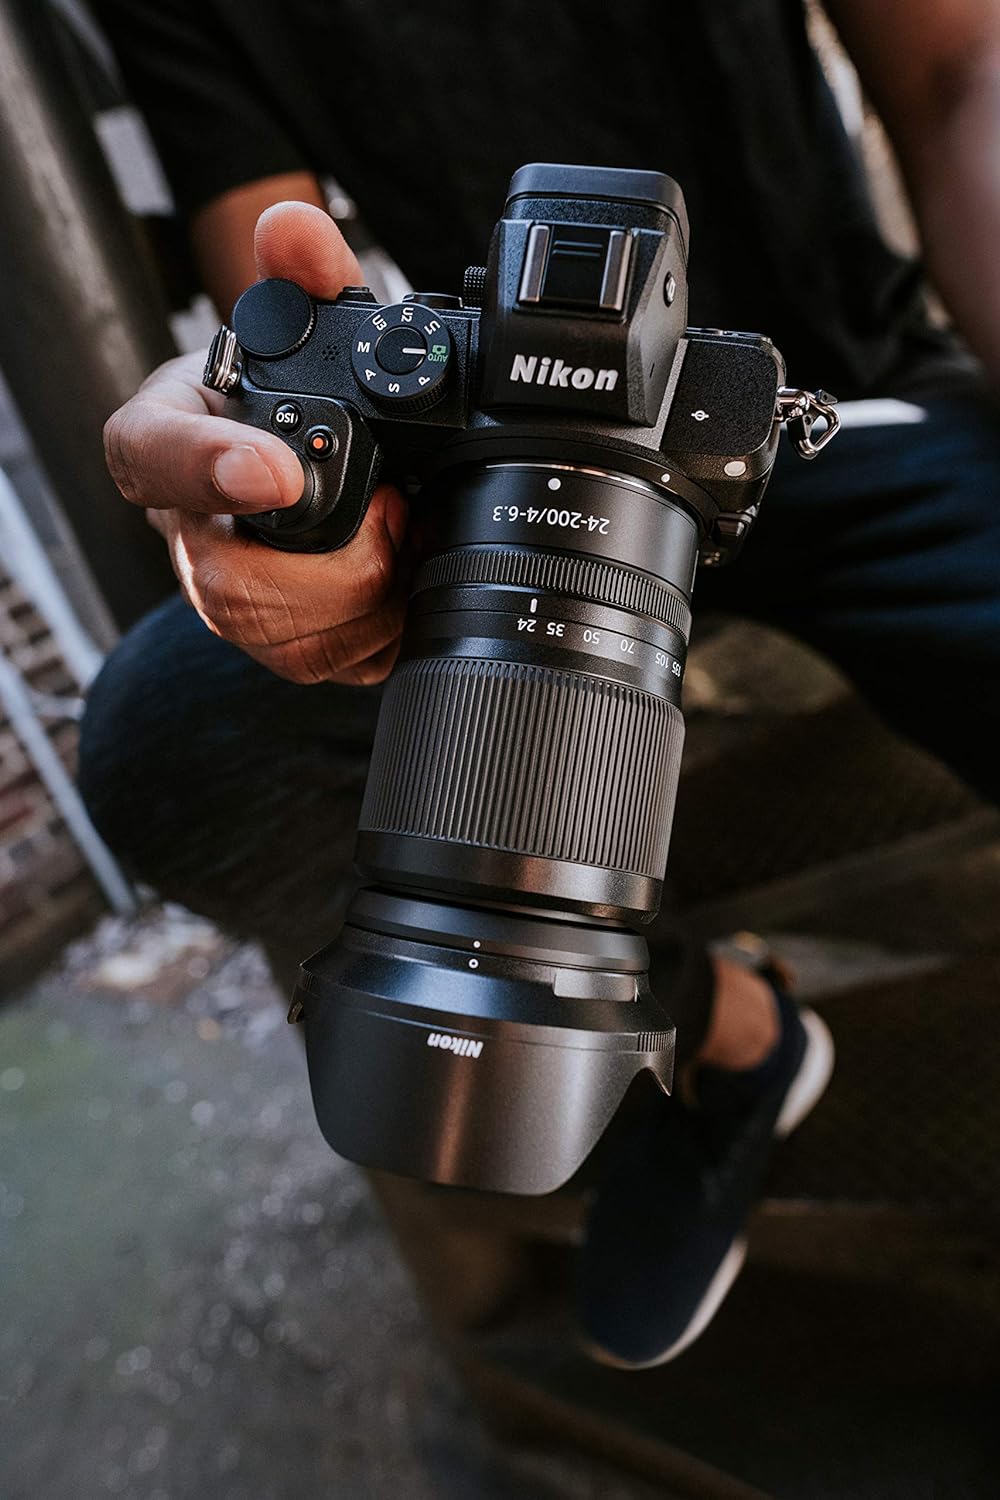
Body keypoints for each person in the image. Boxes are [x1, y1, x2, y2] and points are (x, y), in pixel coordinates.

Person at [80, 0, 1000, 1368]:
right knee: (169, 741)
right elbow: (276, 272)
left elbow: (963, 72)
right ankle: (732, 1038)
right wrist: (273, 469)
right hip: (488, 477)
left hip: (833, 417)